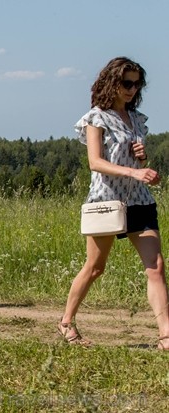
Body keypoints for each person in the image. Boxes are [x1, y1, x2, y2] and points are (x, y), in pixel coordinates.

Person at [59, 57, 169, 350]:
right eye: (126, 83)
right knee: (95, 268)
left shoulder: (137, 119)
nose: (132, 89)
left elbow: (137, 161)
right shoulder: (96, 117)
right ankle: (67, 321)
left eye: (137, 84)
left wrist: (144, 161)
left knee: (156, 267)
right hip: (106, 201)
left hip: (140, 201)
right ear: (112, 82)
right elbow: (95, 163)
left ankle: (165, 336)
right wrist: (134, 170)